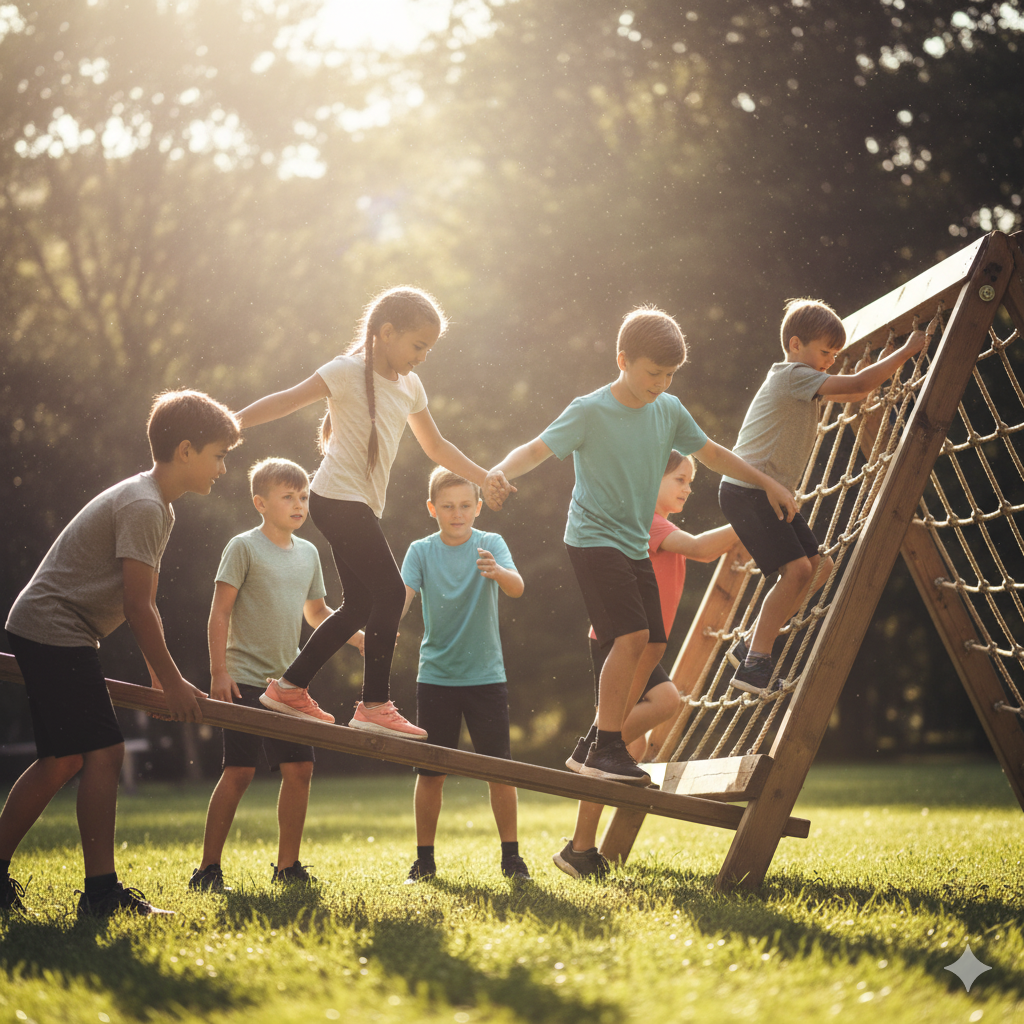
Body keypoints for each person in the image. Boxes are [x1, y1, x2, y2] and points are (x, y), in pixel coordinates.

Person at [484, 306, 796, 787]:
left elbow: (713, 453)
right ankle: (607, 745)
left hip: (632, 543)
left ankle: (595, 743)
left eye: (670, 375)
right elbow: (536, 449)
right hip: (591, 540)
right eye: (654, 373)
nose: (661, 383)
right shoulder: (589, 410)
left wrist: (765, 483)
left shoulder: (668, 410)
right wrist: (498, 472)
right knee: (630, 639)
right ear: (622, 359)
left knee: (653, 643)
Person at [0, 390, 240, 917]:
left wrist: (161, 675)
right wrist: (172, 682)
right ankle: (102, 894)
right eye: (219, 454)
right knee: (103, 755)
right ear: (185, 450)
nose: (224, 467)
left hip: (57, 629)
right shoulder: (145, 505)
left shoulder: (155, 504)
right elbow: (139, 606)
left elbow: (139, 605)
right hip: (54, 627)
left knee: (61, 760)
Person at [235, 286, 512, 735]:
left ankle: (289, 688)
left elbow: (436, 445)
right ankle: (373, 704)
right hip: (336, 498)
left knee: (359, 604)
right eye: (418, 345)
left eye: (429, 348)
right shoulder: (345, 372)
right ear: (386, 333)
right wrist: (234, 423)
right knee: (388, 593)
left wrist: (484, 477)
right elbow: (288, 398)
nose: (423, 356)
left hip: (358, 505)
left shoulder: (410, 386)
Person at [720, 299, 938, 693]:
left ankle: (752, 642)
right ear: (795, 344)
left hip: (768, 493)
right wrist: (907, 351)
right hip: (749, 490)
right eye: (825, 352)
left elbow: (855, 389)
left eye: (835, 355)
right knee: (799, 571)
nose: (830, 362)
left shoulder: (803, 380)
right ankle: (755, 663)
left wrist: (891, 360)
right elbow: (856, 386)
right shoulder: (791, 375)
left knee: (820, 568)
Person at [556, 451, 737, 878]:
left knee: (622, 754)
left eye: (690, 481)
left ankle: (580, 850)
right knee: (664, 702)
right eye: (678, 478)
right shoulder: (645, 520)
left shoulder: (660, 523)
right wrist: (751, 519)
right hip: (618, 643)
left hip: (633, 646)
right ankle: (592, 746)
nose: (687, 488)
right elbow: (700, 550)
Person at [189, 458, 364, 893]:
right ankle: (208, 869)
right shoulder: (243, 547)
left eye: (303, 496)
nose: (299, 504)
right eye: (288, 496)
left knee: (300, 768)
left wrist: (360, 638)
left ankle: (288, 867)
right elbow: (220, 612)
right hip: (243, 679)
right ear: (260, 503)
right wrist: (218, 672)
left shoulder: (309, 553)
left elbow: (319, 613)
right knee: (239, 771)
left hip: (287, 688)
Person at [400, 467, 530, 883]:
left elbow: (517, 588)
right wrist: (374, 634)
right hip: (436, 676)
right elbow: (400, 602)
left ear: (478, 508)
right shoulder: (420, 551)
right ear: (431, 508)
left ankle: (512, 858)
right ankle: (424, 860)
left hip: (486, 677)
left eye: (465, 506)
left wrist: (499, 572)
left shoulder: (489, 544)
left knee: (499, 770)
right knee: (431, 772)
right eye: (447, 507)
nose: (457, 514)